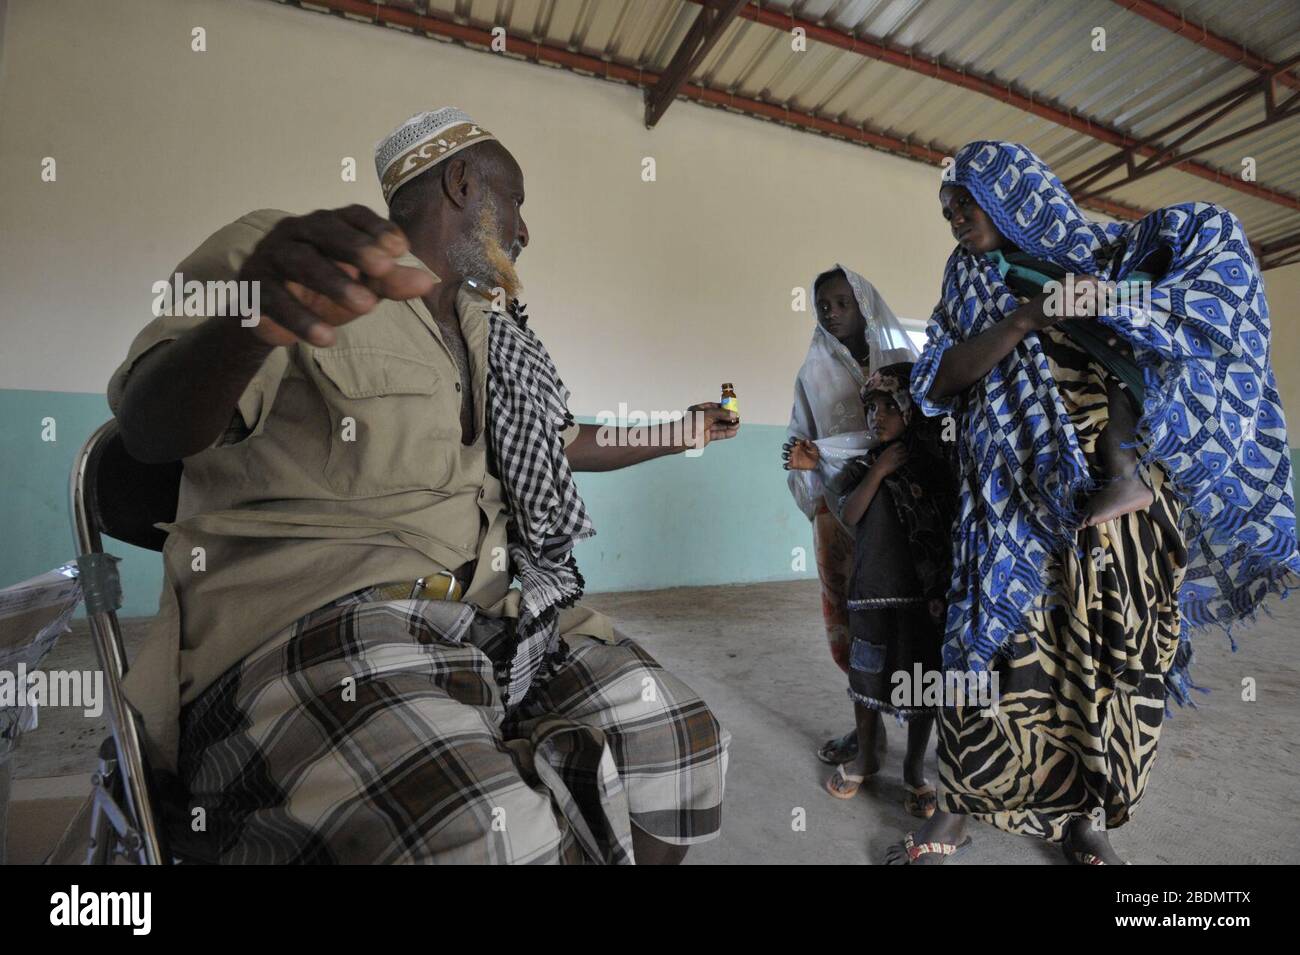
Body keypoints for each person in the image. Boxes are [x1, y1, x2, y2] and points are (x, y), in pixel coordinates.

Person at [109, 107, 737, 864]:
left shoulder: (489, 328)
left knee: (683, 743)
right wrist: (261, 311)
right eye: (517, 201)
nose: (525, 232)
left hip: (498, 611)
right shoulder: (291, 263)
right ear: (462, 180)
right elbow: (147, 430)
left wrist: (685, 431)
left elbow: (560, 441)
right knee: (484, 830)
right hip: (321, 620)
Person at [887, 140, 1299, 865]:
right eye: (947, 207)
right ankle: (957, 809)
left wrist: (1097, 303)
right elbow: (940, 379)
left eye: (966, 199)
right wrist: (1021, 321)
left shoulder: (1099, 254)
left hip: (1114, 511)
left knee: (1107, 652)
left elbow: (1172, 305)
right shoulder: (968, 281)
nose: (954, 215)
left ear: (1015, 193)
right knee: (988, 647)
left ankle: (1087, 818)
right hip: (1008, 497)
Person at [787, 363, 957, 817]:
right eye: (871, 408)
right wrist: (878, 471)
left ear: (911, 409)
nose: (877, 416)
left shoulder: (934, 467)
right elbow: (852, 513)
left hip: (922, 601)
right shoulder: (864, 465)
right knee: (866, 679)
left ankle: (915, 772)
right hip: (870, 596)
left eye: (888, 406)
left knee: (921, 686)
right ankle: (864, 758)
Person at [781, 266, 916, 768]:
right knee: (851, 620)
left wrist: (828, 452)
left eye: (843, 303)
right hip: (837, 513)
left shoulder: (903, 364)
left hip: (899, 513)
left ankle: (912, 738)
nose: (832, 313)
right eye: (823, 306)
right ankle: (869, 735)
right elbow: (800, 441)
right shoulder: (811, 374)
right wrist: (807, 460)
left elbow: (912, 436)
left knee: (900, 619)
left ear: (863, 304)